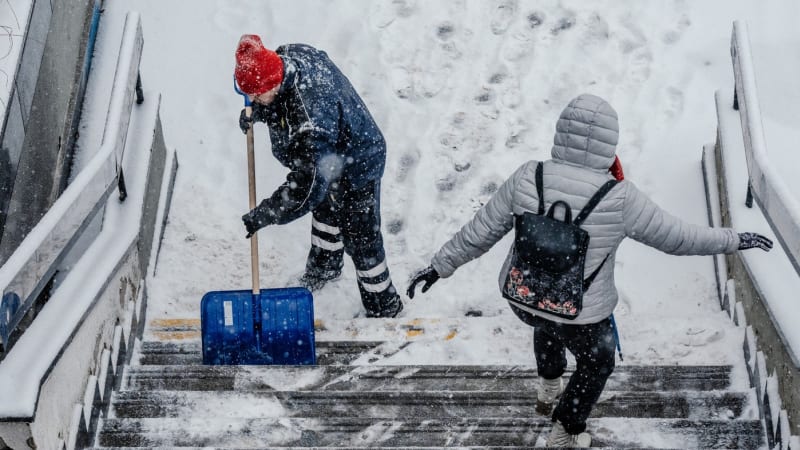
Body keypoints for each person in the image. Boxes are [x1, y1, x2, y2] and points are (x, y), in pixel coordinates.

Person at [406, 93, 773, 447]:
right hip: (580, 310)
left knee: (546, 317)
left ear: (561, 131)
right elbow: (678, 237)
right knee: (597, 359)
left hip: (525, 295)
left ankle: (549, 384)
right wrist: (734, 239)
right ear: (609, 142)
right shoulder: (619, 198)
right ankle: (566, 428)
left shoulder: (528, 176)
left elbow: (481, 229)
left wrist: (439, 267)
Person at [234, 34, 403, 318]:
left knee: (361, 236)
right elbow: (280, 102)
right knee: (325, 214)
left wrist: (265, 213)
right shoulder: (286, 57)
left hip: (359, 159)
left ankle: (383, 304)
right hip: (329, 155)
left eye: (255, 95)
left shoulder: (311, 118)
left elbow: (306, 188)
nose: (251, 100)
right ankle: (324, 269)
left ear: (272, 82)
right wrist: (260, 113)